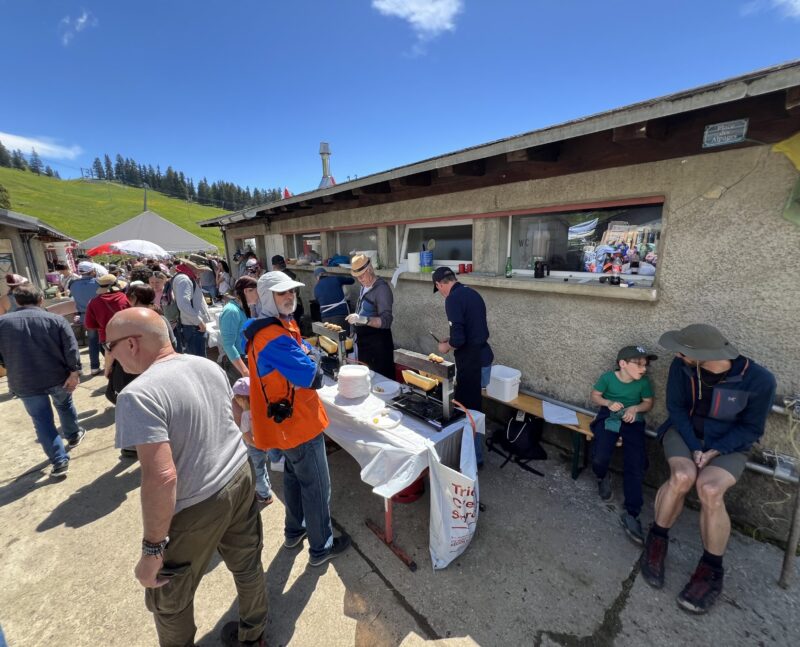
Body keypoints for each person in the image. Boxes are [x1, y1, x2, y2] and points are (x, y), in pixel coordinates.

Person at [107, 309, 267, 646]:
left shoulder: (138, 395)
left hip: (197, 502)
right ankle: (255, 635)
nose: (110, 355)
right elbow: (237, 420)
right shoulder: (207, 365)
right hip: (239, 475)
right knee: (248, 562)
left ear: (132, 344)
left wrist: (152, 551)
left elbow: (162, 476)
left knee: (170, 598)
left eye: (111, 346)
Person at [640, 324, 776, 614]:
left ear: (703, 355)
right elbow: (676, 410)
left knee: (710, 490)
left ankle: (711, 569)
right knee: (682, 476)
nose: (677, 354)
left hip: (729, 444)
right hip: (686, 433)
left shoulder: (758, 380)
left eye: (684, 351)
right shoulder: (682, 368)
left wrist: (715, 450)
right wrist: (696, 447)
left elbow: (752, 428)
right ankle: (657, 539)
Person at [243, 271, 350, 566]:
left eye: (291, 291)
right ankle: (322, 546)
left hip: (288, 424)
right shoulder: (272, 336)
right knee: (316, 485)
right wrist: (313, 353)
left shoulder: (277, 327)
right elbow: (312, 376)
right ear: (267, 298)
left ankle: (294, 530)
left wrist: (307, 351)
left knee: (292, 477)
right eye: (282, 293)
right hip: (299, 425)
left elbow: (303, 356)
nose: (290, 297)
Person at [0, 284, 85, 478]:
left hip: (23, 380)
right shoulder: (55, 320)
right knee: (64, 406)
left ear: (17, 301)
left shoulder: (2, 323)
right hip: (57, 376)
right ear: (40, 300)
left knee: (42, 421)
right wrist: (75, 372)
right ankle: (72, 435)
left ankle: (59, 461)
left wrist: (10, 365)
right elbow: (71, 348)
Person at [589, 345, 656, 544]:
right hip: (609, 417)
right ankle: (602, 476)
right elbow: (595, 395)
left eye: (646, 365)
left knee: (636, 464)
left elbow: (648, 402)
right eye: (639, 364)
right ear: (623, 364)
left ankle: (632, 513)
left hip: (632, 422)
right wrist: (608, 403)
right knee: (601, 455)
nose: (644, 369)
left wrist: (635, 408)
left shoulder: (643, 383)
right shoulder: (608, 378)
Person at [431, 267, 494, 465]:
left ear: (440, 284)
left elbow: (459, 340)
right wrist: (452, 338)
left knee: (467, 411)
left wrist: (445, 346)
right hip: (484, 357)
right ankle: (473, 453)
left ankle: (474, 458)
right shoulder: (472, 293)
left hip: (471, 362)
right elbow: (470, 329)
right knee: (475, 408)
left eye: (439, 288)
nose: (441, 292)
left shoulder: (452, 299)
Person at [345, 254, 395, 379]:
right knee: (366, 380)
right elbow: (361, 308)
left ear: (370, 269)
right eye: (357, 277)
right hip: (364, 343)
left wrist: (363, 319)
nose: (360, 279)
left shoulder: (382, 289)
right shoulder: (364, 286)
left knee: (381, 381)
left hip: (378, 344)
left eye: (362, 275)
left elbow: (386, 321)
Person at [232, 377, 273, 507]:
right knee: (262, 465)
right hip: (264, 444)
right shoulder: (263, 410)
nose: (235, 400)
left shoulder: (245, 415)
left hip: (254, 446)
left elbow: (246, 435)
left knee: (257, 471)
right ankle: (267, 486)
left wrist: (254, 444)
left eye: (236, 398)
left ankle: (264, 495)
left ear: (243, 399)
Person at [219, 276, 258, 381]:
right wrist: (244, 371)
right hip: (236, 364)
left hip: (245, 358)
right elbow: (228, 344)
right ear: (246, 291)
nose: (259, 295)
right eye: (256, 291)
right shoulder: (231, 311)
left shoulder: (242, 308)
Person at [172, 259, 212, 357]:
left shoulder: (184, 277)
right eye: (201, 270)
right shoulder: (185, 280)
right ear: (193, 268)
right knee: (199, 358)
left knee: (196, 356)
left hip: (191, 325)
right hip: (193, 326)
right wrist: (198, 321)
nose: (202, 272)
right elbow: (184, 304)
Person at [69, 262, 103, 375]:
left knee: (92, 341)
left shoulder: (73, 284)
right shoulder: (98, 282)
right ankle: (111, 364)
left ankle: (94, 367)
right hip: (100, 315)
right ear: (92, 271)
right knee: (104, 339)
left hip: (85, 316)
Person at [84, 274, 131, 355]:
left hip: (106, 340)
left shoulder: (93, 303)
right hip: (127, 337)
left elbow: (90, 325)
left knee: (112, 366)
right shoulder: (126, 298)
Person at [313, 266, 354, 331]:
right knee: (344, 338)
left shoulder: (316, 288)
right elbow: (352, 280)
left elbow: (318, 301)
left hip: (325, 320)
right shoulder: (336, 279)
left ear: (317, 278)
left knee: (330, 340)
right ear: (326, 274)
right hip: (340, 316)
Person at [270, 255, 304, 323]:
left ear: (274, 266)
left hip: (286, 308)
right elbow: (298, 292)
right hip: (297, 305)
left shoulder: (276, 278)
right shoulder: (293, 275)